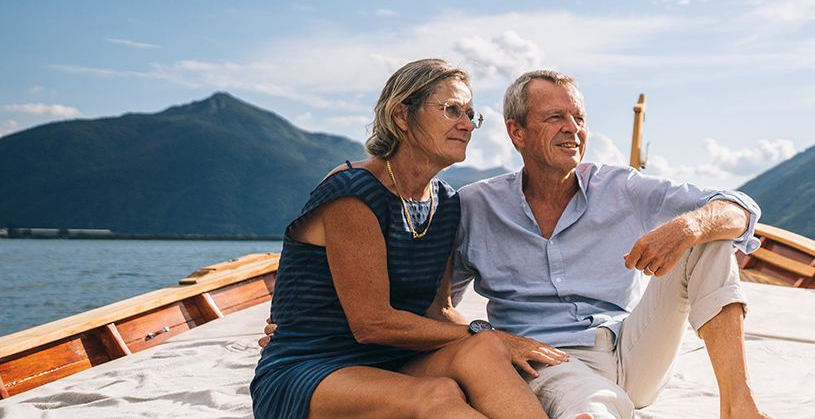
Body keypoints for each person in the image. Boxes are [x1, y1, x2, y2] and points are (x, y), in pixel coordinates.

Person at [252, 59, 571, 419]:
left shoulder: (446, 202)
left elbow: (439, 310)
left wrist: (491, 340)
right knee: (439, 393)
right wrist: (493, 334)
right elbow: (372, 323)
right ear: (402, 115)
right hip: (313, 365)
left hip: (396, 359)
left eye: (470, 114)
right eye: (452, 110)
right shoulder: (353, 192)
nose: (467, 125)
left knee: (483, 349)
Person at [447, 70, 775, 419]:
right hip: (549, 359)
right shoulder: (475, 206)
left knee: (708, 238)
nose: (572, 128)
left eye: (579, 118)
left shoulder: (621, 187)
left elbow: (740, 209)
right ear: (517, 132)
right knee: (589, 403)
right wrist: (492, 337)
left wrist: (687, 228)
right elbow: (437, 310)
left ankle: (739, 407)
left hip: (634, 349)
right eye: (555, 117)